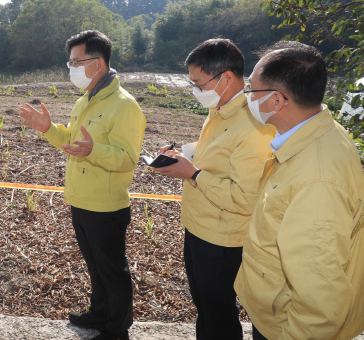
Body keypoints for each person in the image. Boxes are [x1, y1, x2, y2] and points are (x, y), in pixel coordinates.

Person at [19, 30, 146, 340]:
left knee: (113, 271)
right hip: (81, 200)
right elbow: (73, 142)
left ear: (98, 63)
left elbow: (128, 159)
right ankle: (99, 313)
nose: (71, 67)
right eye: (70, 62)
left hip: (106, 204)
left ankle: (117, 329)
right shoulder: (85, 100)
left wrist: (94, 151)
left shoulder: (124, 106)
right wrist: (49, 128)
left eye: (77, 62)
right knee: (96, 267)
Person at [234, 41, 364, 340]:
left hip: (287, 326)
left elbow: (320, 301)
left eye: (251, 90)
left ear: (277, 101)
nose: (247, 98)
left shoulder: (317, 182)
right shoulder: (318, 130)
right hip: (277, 307)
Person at [153, 39, 276, 340]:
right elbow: (220, 159)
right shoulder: (220, 109)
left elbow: (244, 197)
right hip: (199, 227)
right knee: (206, 308)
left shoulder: (252, 126)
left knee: (219, 313)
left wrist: (192, 173)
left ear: (227, 78)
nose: (196, 90)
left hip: (222, 239)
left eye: (199, 83)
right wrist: (184, 158)